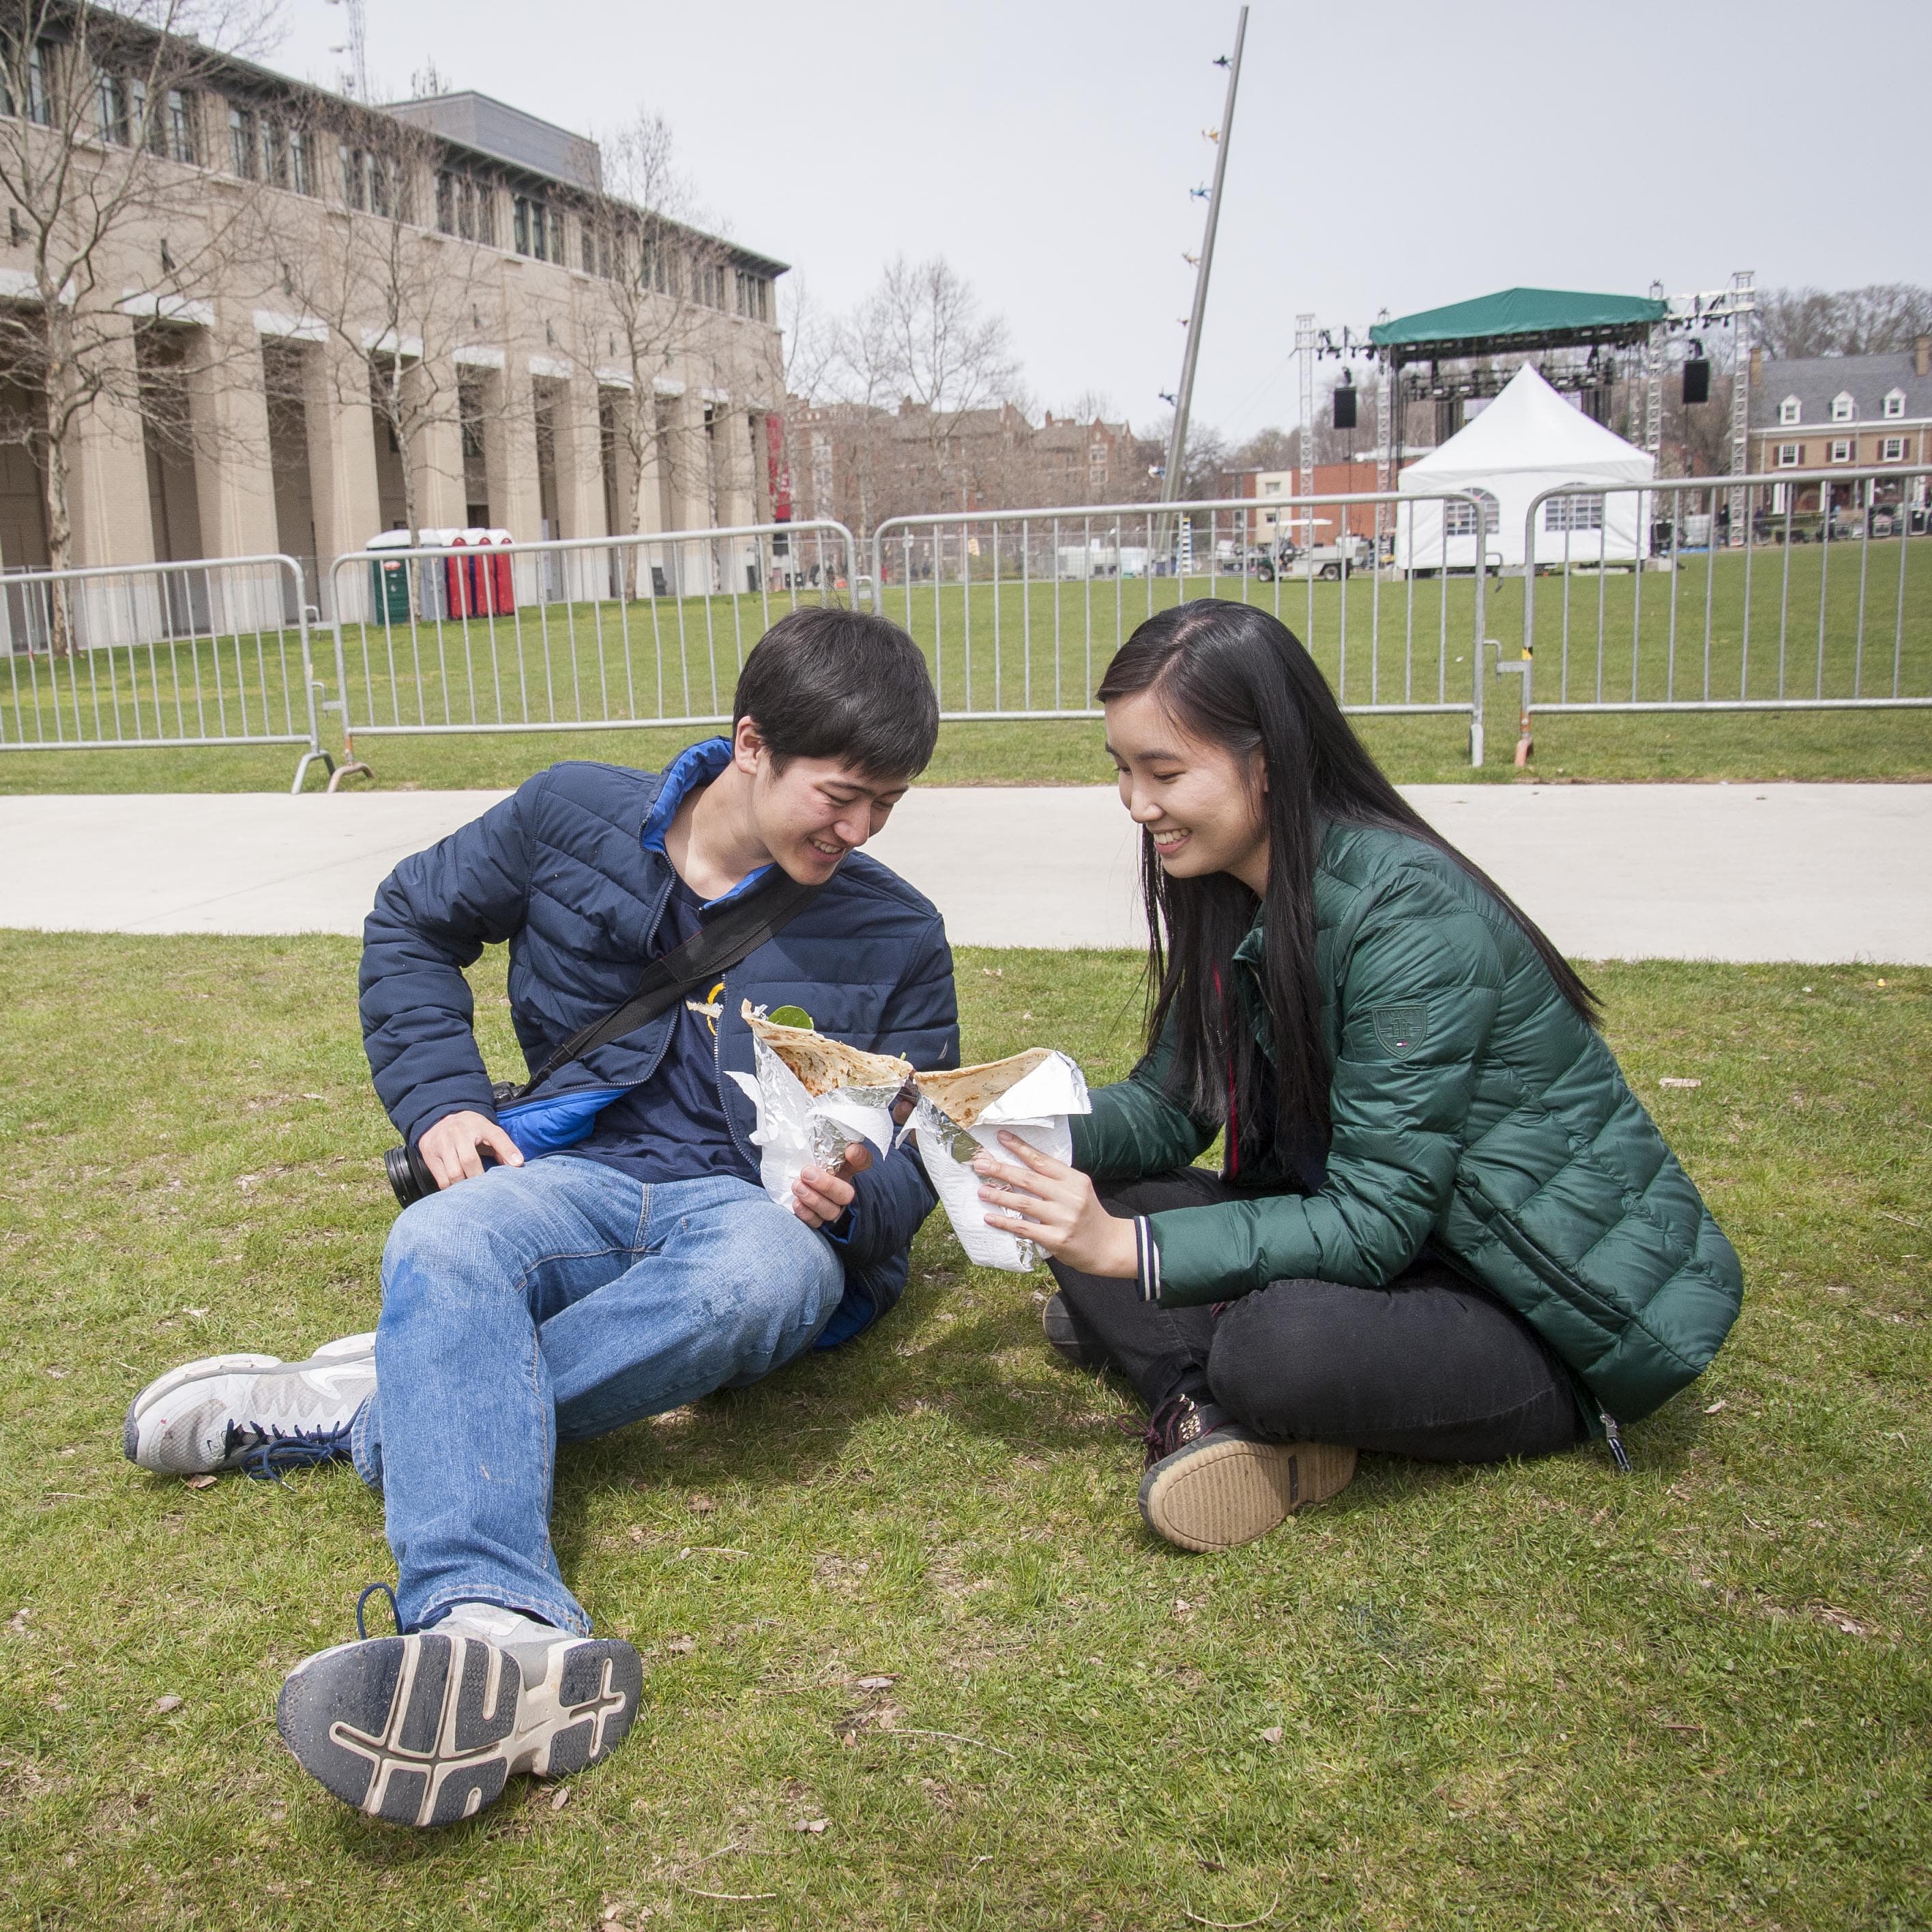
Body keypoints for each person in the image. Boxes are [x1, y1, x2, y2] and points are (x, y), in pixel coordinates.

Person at [122, 607, 958, 1826]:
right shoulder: (572, 812)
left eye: (888, 804)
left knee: (764, 1280)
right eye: (843, 794)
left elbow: (918, 1144)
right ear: (750, 745)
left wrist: (857, 1198)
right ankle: (490, 1617)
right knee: (442, 1237)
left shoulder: (898, 929)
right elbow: (413, 917)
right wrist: (442, 1105)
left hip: (751, 1218)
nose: (862, 828)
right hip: (580, 1173)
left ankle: (376, 1408)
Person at [971, 600, 1742, 1555]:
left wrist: (1128, 1257)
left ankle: (1196, 1364)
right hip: (1381, 1246)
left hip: (1532, 1310)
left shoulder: (1409, 919)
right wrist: (991, 1125)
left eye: (1164, 772)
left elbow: (1374, 1223)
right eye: (1123, 771)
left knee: (1273, 1343)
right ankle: (1199, 1409)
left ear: (1269, 760)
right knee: (1083, 1186)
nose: (1136, 803)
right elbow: (1173, 1106)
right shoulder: (1226, 886)